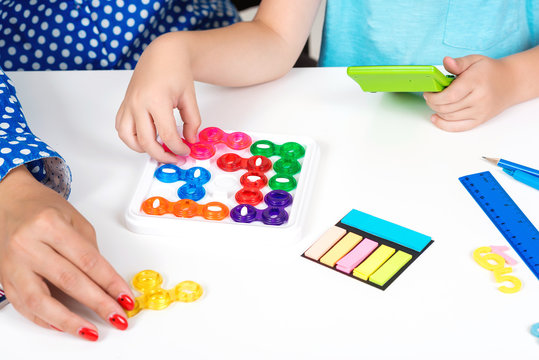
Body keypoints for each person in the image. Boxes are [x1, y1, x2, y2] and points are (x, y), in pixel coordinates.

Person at [0, 0, 240, 341]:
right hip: (30, 95)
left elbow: (275, 38)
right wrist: (9, 178)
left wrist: (177, 49)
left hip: (208, 74)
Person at [116, 0, 539, 164]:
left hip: (494, 139)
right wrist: (176, 50)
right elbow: (276, 38)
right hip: (350, 138)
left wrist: (513, 78)